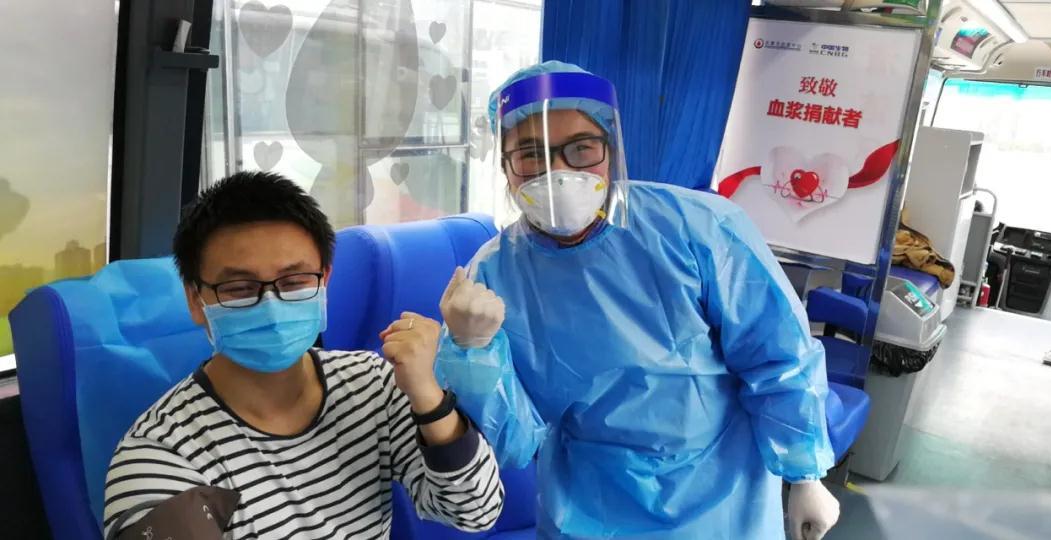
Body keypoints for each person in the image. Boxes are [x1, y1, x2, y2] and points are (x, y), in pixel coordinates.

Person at [435, 61, 840, 539]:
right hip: (589, 508)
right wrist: (472, 352)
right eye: (530, 155)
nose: (558, 173)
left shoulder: (697, 229)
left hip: (721, 501)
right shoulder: (492, 275)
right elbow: (516, 440)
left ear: (611, 150)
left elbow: (777, 355)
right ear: (505, 167)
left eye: (581, 149)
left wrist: (804, 473)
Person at [103, 172, 503, 539]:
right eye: (239, 288)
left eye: (294, 281)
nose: (271, 305)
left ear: (324, 280)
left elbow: (475, 511)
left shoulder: (371, 384)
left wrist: (428, 396)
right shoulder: (161, 454)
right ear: (196, 300)